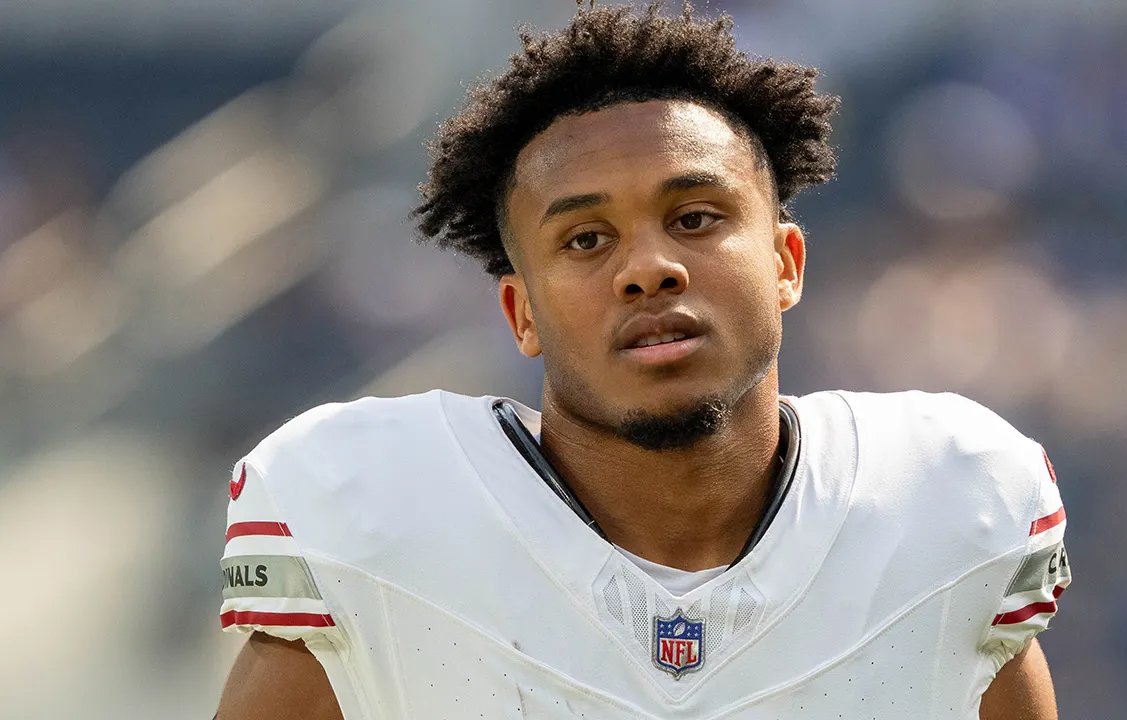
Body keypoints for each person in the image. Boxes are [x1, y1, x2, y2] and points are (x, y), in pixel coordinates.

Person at [215, 3, 1072, 718]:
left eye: (695, 218)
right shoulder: (374, 517)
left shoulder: (947, 505)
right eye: (586, 239)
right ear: (521, 313)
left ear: (785, 263)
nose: (648, 268)